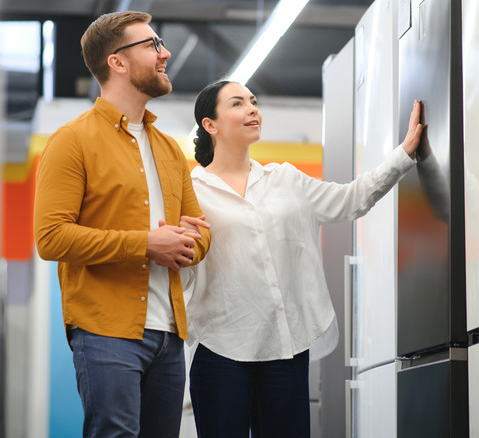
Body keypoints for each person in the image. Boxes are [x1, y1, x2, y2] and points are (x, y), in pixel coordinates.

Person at [184, 79, 424, 437]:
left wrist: (403, 154)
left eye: (253, 101)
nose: (252, 109)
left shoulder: (285, 179)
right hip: (221, 348)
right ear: (210, 125)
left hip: (285, 347)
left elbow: (351, 199)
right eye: (237, 104)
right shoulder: (192, 190)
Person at [33, 11, 211, 438]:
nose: (165, 53)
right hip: (104, 330)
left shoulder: (170, 149)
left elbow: (199, 229)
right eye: (152, 45)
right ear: (117, 62)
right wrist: (146, 244)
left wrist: (191, 243)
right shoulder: (71, 141)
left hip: (169, 332)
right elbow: (50, 237)